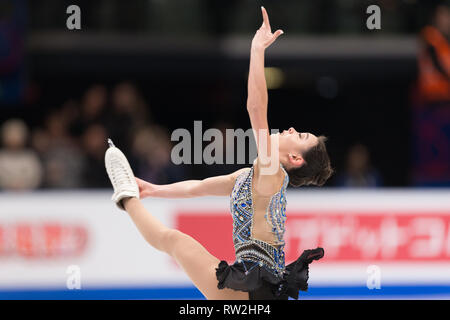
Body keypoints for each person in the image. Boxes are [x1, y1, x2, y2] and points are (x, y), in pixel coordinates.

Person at [104, 7, 332, 300]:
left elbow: (256, 108)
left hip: (255, 287)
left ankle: (126, 198)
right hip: (256, 287)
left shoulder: (273, 174)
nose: (290, 129)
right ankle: (132, 196)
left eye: (299, 136)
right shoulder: (251, 176)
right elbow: (197, 188)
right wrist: (154, 189)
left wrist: (257, 49)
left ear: (295, 160)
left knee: (173, 240)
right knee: (173, 240)